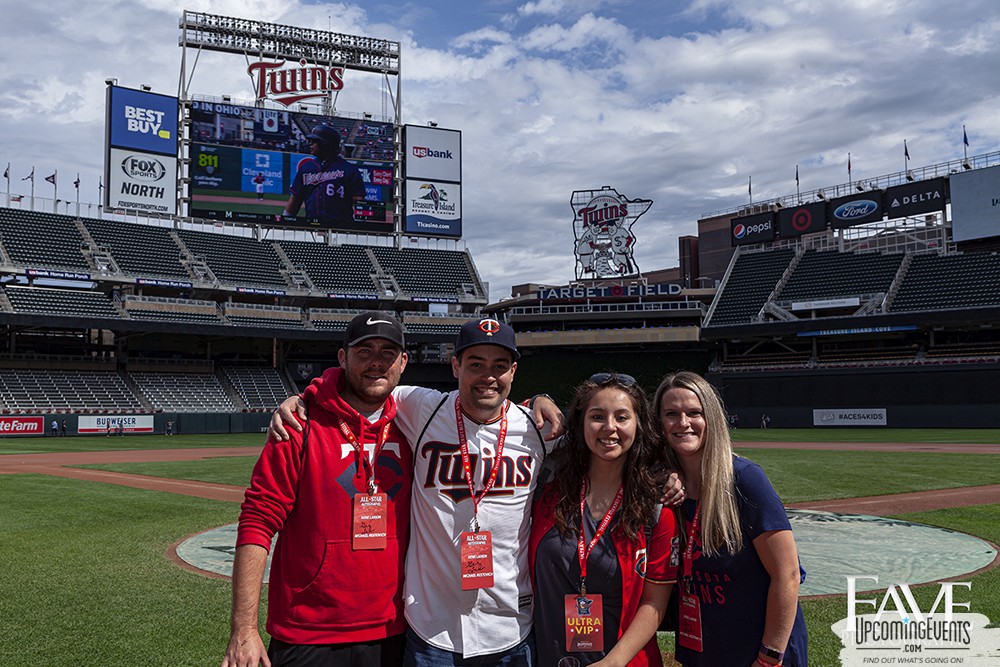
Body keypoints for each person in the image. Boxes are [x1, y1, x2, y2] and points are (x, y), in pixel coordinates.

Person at [271, 318, 567, 666]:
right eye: (475, 364)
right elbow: (360, 384)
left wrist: (543, 399)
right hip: (432, 631)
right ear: (455, 365)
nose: (488, 375)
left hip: (510, 629)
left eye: (499, 366)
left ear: (513, 371)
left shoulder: (539, 429)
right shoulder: (423, 407)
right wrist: (303, 396)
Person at [222, 311, 414, 667]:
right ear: (342, 358)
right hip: (308, 631)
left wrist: (538, 401)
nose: (376, 363)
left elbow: (485, 409)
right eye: (364, 351)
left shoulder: (416, 422)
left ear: (403, 362)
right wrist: (243, 629)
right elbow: (258, 521)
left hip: (394, 629)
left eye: (388, 353)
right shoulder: (298, 422)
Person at [653, 371, 807, 667]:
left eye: (694, 413)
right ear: (659, 424)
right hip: (705, 650)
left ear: (711, 417)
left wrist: (770, 656)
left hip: (759, 653)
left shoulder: (745, 479)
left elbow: (787, 574)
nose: (683, 423)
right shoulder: (669, 488)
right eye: (671, 414)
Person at [530, 372, 679, 667]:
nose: (609, 427)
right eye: (597, 416)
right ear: (580, 423)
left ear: (638, 425)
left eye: (622, 417)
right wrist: (537, 399)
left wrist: (614, 662)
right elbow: (495, 413)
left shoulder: (658, 506)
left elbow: (654, 604)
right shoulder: (547, 485)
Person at [283, 125, 364, 226]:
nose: (310, 143)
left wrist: (360, 228)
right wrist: (284, 223)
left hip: (342, 228)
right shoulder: (306, 168)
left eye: (315, 141)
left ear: (325, 144)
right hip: (311, 227)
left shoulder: (349, 170)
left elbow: (359, 202)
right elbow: (295, 200)